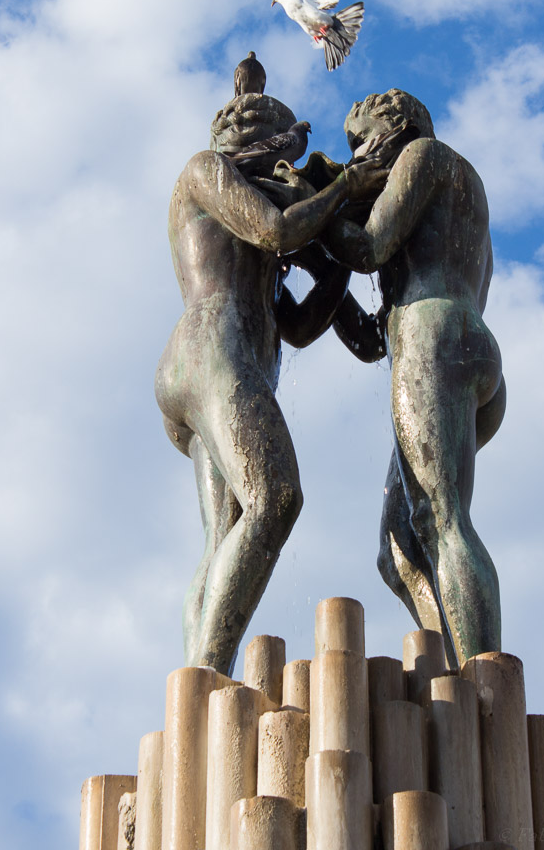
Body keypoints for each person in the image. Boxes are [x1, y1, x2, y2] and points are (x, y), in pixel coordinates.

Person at [155, 92, 385, 673]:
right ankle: (207, 674)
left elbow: (303, 326)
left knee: (224, 535)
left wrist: (333, 263)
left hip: (222, 361)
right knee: (275, 498)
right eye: (238, 120)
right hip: (212, 349)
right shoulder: (207, 171)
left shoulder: (257, 237)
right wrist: (340, 194)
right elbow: (277, 229)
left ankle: (199, 683)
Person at [323, 89, 506, 667]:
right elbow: (374, 342)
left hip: (435, 337)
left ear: (397, 121)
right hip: (459, 346)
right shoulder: (457, 201)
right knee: (396, 550)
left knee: (444, 515)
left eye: (363, 136)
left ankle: (486, 681)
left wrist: (319, 203)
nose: (359, 153)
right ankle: (454, 667)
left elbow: (370, 246)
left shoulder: (423, 155)